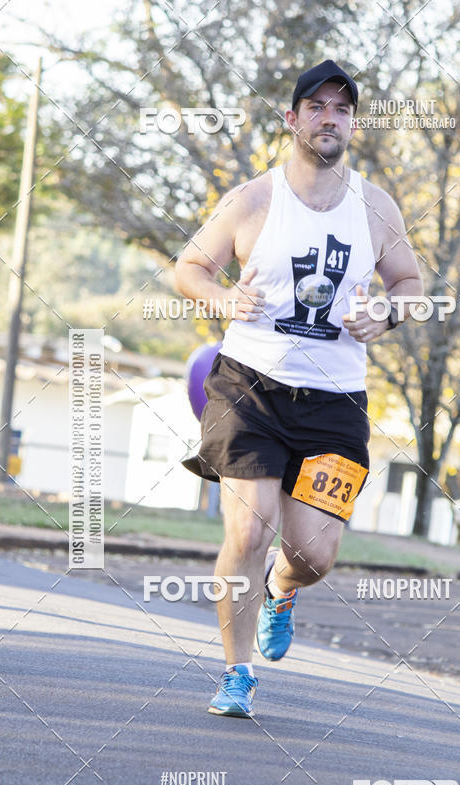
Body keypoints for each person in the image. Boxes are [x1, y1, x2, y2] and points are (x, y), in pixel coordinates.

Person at [175, 59, 423, 717]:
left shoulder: (375, 206)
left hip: (335, 401)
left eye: (341, 109)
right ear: (291, 118)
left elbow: (412, 284)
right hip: (249, 388)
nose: (329, 117)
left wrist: (389, 312)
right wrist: (223, 297)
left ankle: (282, 591)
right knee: (249, 528)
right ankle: (236, 675)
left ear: (354, 123)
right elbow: (190, 268)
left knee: (312, 553)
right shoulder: (253, 200)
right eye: (316, 106)